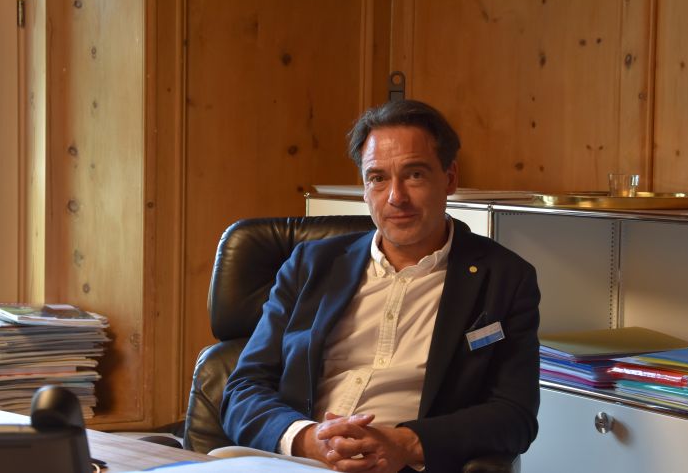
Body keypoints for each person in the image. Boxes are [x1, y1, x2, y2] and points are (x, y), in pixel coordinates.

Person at [221, 99, 540, 473]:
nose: (395, 197)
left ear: (449, 177)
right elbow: (243, 390)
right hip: (290, 462)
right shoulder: (311, 265)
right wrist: (307, 439)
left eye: (415, 175)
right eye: (377, 178)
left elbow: (514, 415)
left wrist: (405, 443)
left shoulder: (503, 278)